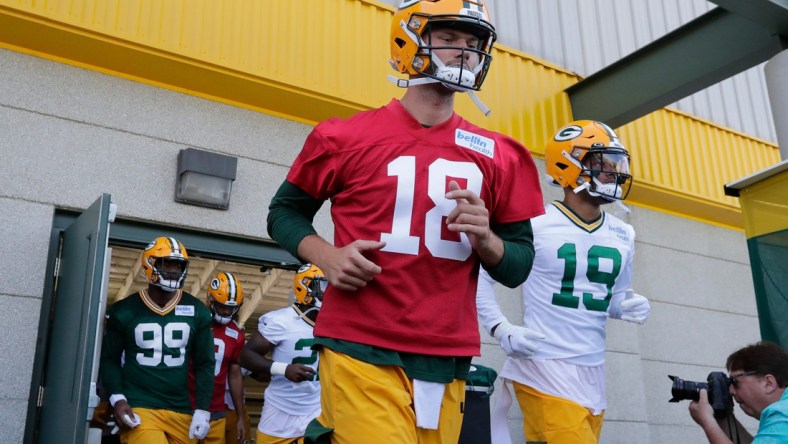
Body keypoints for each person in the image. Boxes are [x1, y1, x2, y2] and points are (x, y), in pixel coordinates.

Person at [265, 1, 544, 442]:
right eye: (450, 40)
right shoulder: (344, 136)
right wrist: (327, 256)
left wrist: (486, 237)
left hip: (448, 354)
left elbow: (517, 267)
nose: (464, 53)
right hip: (359, 343)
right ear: (406, 42)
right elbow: (283, 212)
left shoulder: (502, 155)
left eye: (473, 44)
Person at [477, 120, 652, 444]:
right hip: (545, 367)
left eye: (616, 163)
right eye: (602, 163)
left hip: (593, 371)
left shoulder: (623, 233)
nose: (614, 172)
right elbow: (480, 281)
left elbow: (612, 297)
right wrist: (501, 328)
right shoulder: (535, 223)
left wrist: (622, 305)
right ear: (567, 166)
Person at [100, 236, 215, 443]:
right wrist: (118, 397)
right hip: (140, 404)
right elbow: (110, 359)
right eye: (166, 263)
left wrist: (202, 409)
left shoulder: (197, 311)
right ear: (149, 264)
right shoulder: (125, 311)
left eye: (178, 265)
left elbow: (205, 364)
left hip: (180, 407)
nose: (173, 270)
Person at [239, 263, 326, 444]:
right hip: (280, 411)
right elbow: (245, 356)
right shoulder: (281, 320)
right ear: (305, 287)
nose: (328, 291)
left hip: (315, 411)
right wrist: (283, 369)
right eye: (323, 285)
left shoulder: (333, 323)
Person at [689, 341, 788, 444]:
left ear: (768, 383)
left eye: (735, 381)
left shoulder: (782, 414)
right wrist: (722, 416)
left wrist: (707, 421)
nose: (731, 391)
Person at [189, 271, 248, 444]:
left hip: (216, 408)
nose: (226, 311)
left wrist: (240, 416)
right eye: (222, 306)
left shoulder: (236, 335)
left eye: (231, 307)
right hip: (186, 404)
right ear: (211, 300)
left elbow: (235, 375)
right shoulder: (195, 322)